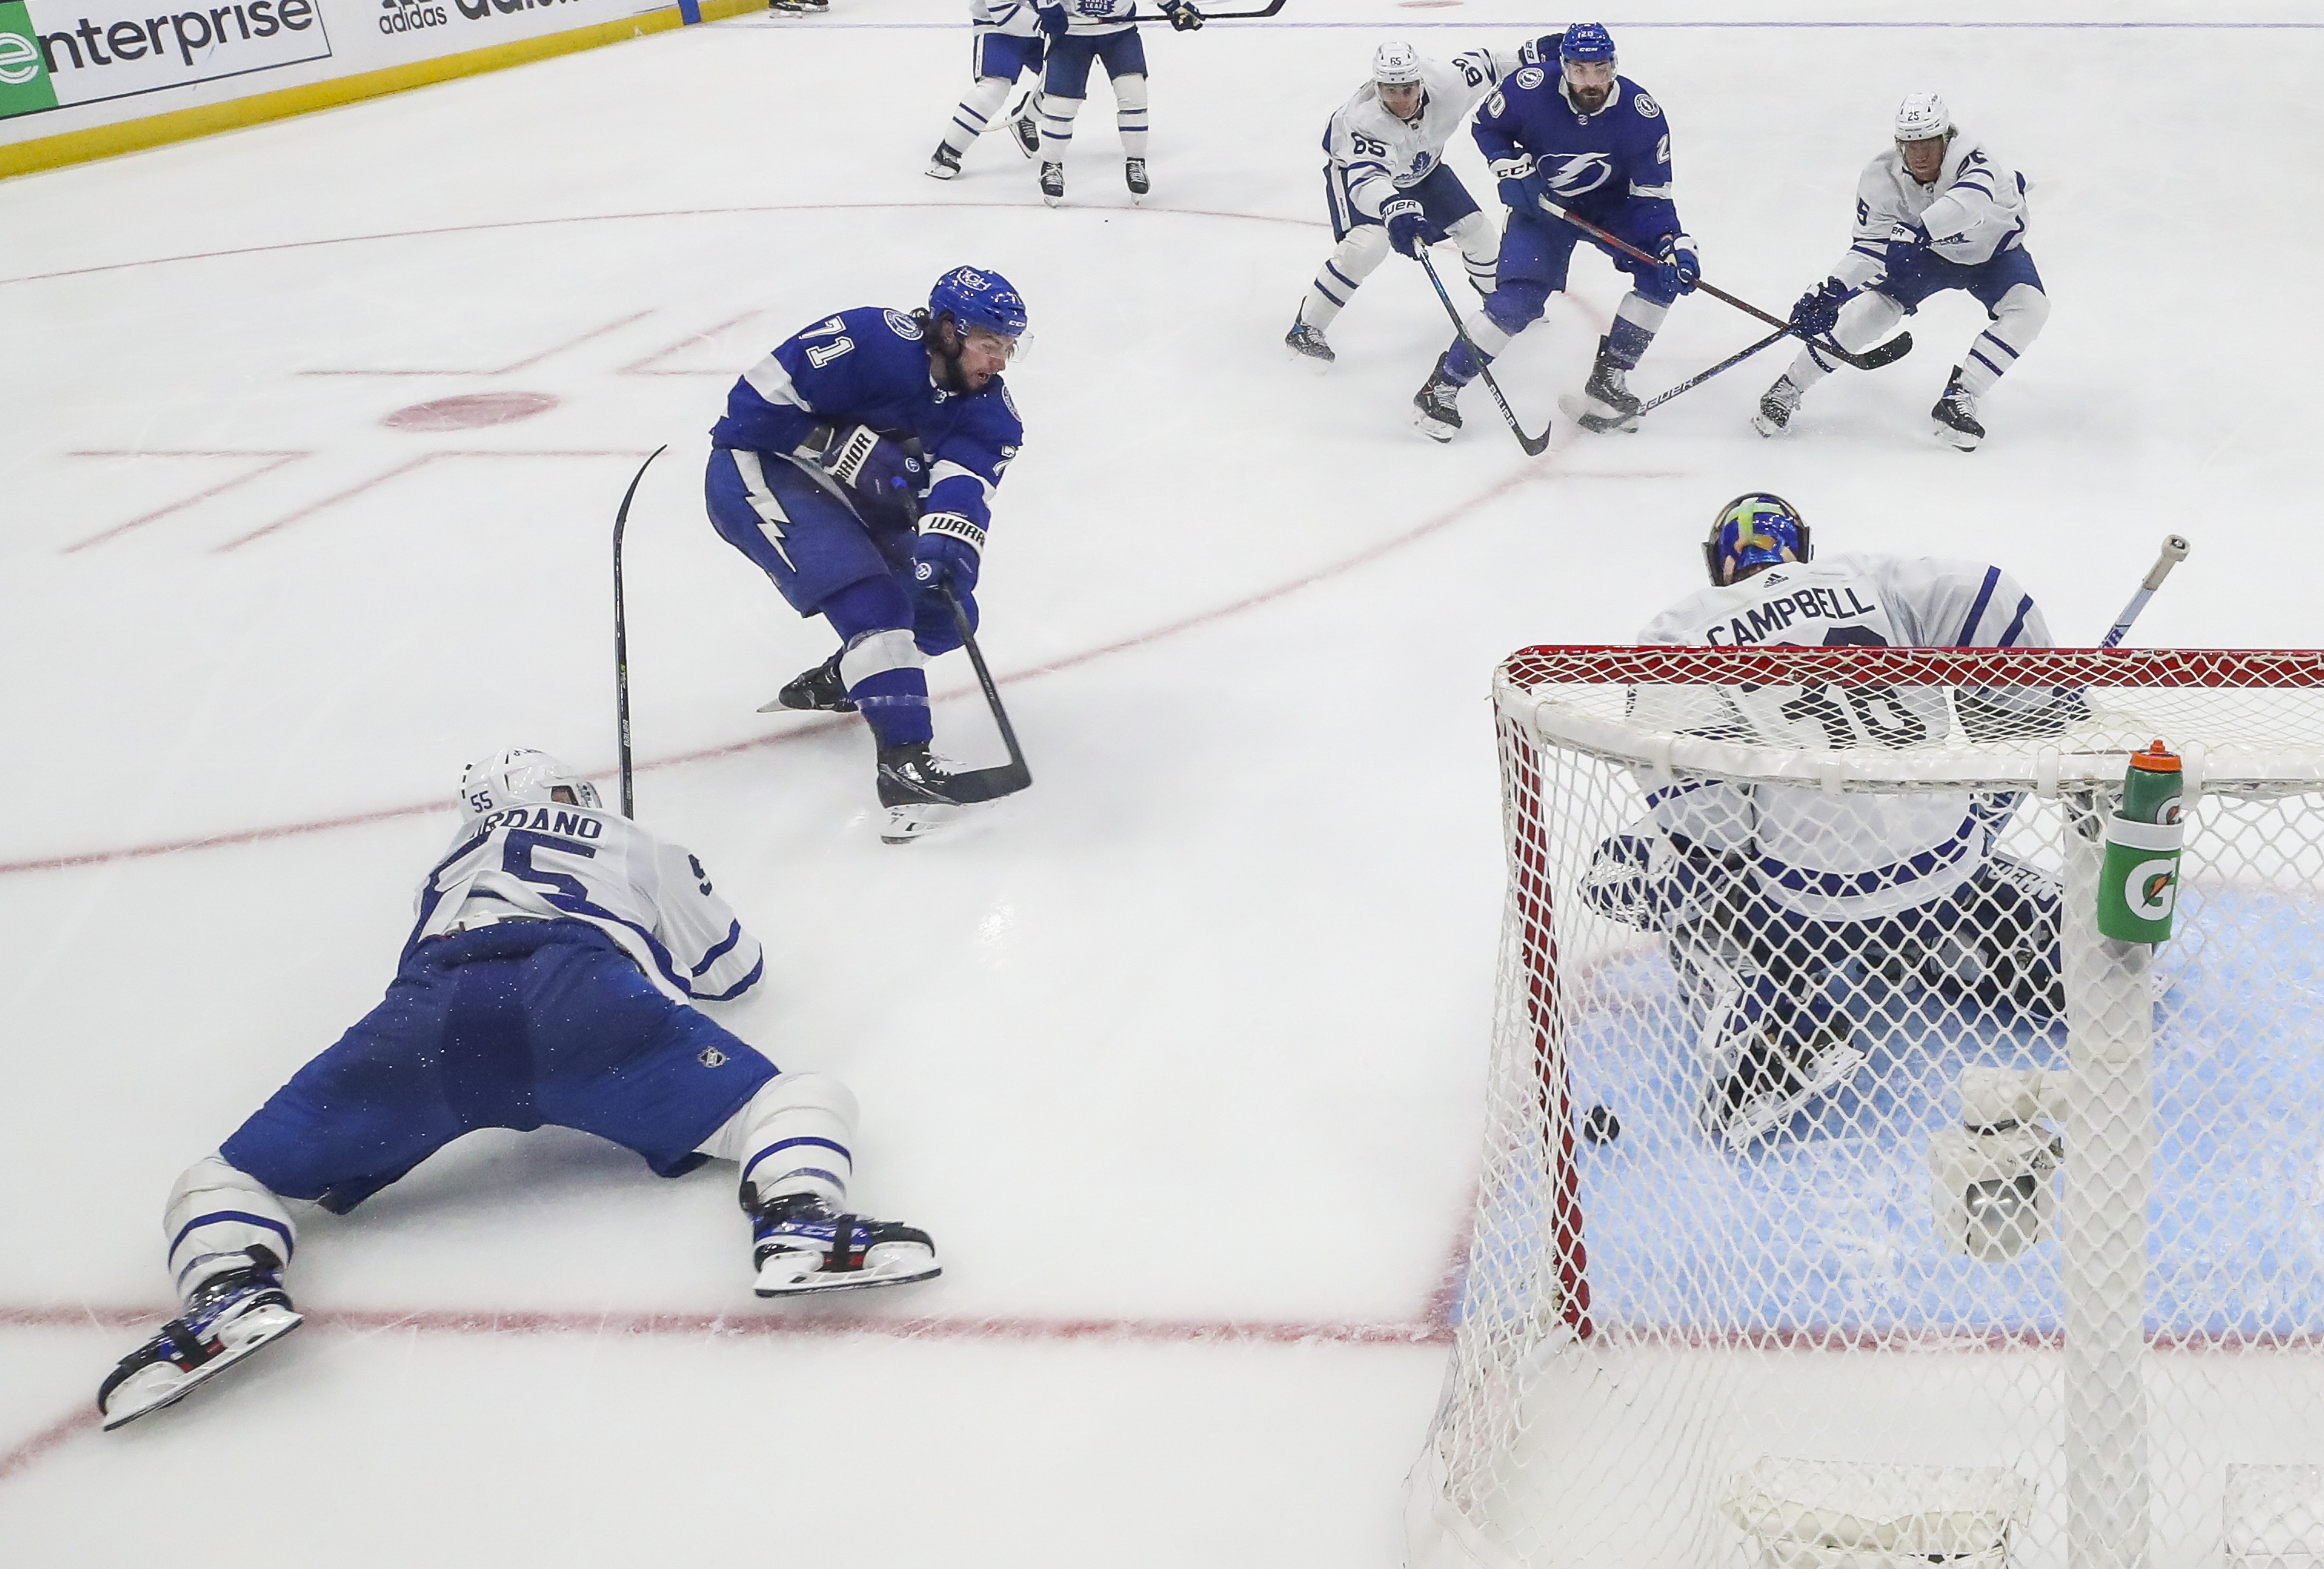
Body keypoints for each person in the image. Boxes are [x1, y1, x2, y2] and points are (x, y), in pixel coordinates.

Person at [96, 748, 939, 1431]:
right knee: (796, 1098)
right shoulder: (624, 834)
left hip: (433, 1013)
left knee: (226, 1175)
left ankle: (223, 1290)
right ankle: (799, 1222)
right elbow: (734, 969)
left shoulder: (452, 861)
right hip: (581, 1001)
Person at [1585, 495, 2071, 1145]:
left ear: (1719, 562)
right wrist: (2020, 715)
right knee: (1950, 833)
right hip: (1945, 862)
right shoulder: (1869, 578)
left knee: (1644, 873)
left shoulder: (1683, 628)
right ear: (1799, 547)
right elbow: (1988, 596)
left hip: (1810, 902)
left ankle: (1770, 1025)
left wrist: (1697, 866)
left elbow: (1704, 815)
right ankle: (2043, 933)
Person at [704, 266, 1028, 844]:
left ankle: (847, 676)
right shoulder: (867, 340)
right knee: (876, 605)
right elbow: (747, 409)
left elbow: (965, 484)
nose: (999, 361)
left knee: (944, 612)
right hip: (761, 470)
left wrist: (949, 545)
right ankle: (905, 771)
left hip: (859, 497)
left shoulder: (989, 411)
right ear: (949, 330)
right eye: (989, 344)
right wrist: (839, 446)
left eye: (1008, 348)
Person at [1411, 22, 1697, 440]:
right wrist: (1507, 166)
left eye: (1600, 70)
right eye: (1580, 71)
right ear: (1563, 67)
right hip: (1541, 206)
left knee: (1659, 275)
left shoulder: (1641, 115)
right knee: (1517, 303)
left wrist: (1671, 244)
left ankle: (1608, 382)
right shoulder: (1529, 88)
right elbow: (1488, 127)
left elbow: (1651, 198)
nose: (1592, 82)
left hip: (1611, 207)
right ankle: (1442, 387)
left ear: (1613, 66)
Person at [1753, 92, 2046, 452]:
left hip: (1994, 256)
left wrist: (1917, 232)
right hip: (1928, 257)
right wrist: (1831, 291)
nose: (1919, 154)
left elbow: (1969, 203)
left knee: (2031, 308)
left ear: (1946, 138)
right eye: (1910, 144)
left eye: (1927, 142)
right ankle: (1788, 387)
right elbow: (1868, 248)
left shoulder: (1976, 162)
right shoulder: (1882, 178)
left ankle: (1960, 395)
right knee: (1868, 313)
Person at [1285, 39, 1523, 367]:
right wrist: (1394, 208)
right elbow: (1367, 181)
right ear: (1378, 87)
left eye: (1407, 90)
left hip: (1421, 169)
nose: (1400, 100)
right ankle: (1307, 328)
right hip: (1357, 173)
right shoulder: (1365, 120)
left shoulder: (1448, 83)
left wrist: (1536, 56)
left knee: (1477, 232)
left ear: (1420, 83)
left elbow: (1491, 63)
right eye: (1390, 91)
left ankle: (1500, 307)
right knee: (1367, 247)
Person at [1029, 0, 1202, 207]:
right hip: (1071, 33)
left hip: (1120, 30)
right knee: (1061, 104)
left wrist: (1174, 6)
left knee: (1133, 91)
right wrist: (1047, 7)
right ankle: (1051, 165)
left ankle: (1136, 162)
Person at [926, 0, 1048, 181]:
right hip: (998, 27)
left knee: (1065, 86)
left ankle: (1026, 118)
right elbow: (1002, 11)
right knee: (994, 87)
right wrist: (1051, 24)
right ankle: (949, 151)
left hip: (1046, 27)